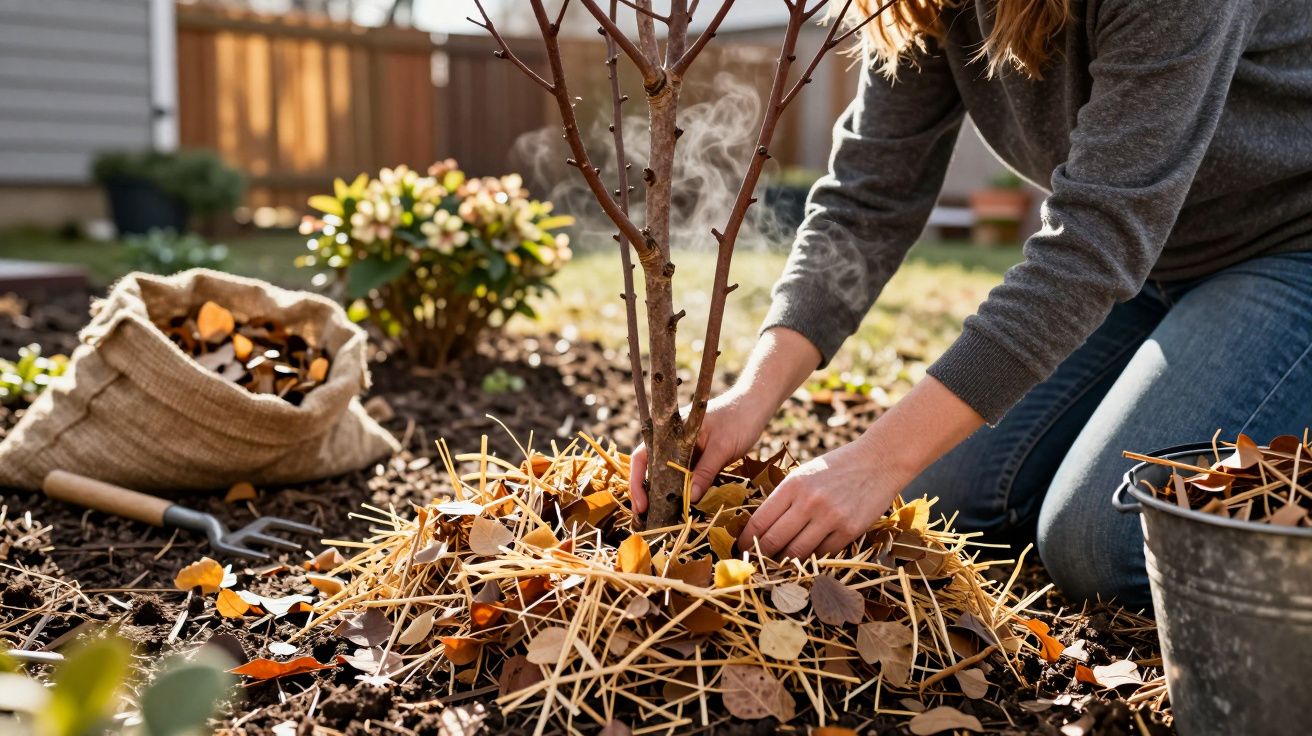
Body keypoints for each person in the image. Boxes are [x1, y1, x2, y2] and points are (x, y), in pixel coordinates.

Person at [630, 0, 1312, 609]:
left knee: (1105, 544)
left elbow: (1092, 243)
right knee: (946, 499)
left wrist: (875, 459)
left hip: (1291, 246)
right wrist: (750, 396)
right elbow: (868, 201)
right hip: (1152, 269)